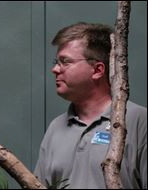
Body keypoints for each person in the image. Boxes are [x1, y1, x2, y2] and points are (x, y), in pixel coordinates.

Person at [34, 22, 147, 189]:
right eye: (56, 61)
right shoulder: (55, 127)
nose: (55, 69)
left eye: (65, 62)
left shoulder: (139, 120)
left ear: (97, 70)